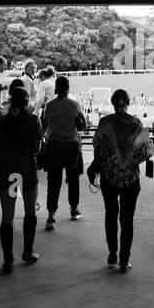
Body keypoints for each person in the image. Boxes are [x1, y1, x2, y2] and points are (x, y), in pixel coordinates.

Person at [88, 89, 154, 272]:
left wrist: (99, 165)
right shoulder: (136, 123)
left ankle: (112, 252)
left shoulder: (105, 122)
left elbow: (98, 148)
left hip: (109, 176)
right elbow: (146, 151)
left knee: (111, 214)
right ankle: (124, 261)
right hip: (130, 179)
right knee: (127, 219)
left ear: (112, 103)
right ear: (128, 103)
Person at [0, 85, 42, 272]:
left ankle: (8, 261)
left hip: (8, 172)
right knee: (30, 211)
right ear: (27, 101)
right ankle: (27, 253)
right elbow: (37, 148)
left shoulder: (2, 121)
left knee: (8, 216)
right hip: (26, 171)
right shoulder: (33, 121)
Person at [41, 75, 87, 230]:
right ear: (68, 88)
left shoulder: (50, 105)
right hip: (71, 146)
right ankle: (74, 210)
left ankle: (51, 217)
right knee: (73, 179)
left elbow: (45, 124)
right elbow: (84, 125)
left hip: (53, 145)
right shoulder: (74, 104)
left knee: (53, 182)